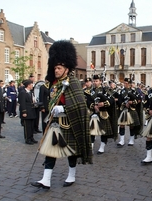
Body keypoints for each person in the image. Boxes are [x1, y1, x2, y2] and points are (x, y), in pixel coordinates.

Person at [31, 40, 92, 190]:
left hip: (69, 122)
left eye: (58, 68)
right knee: (50, 152)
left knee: (71, 151)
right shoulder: (55, 83)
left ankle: (71, 176)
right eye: (55, 68)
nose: (56, 70)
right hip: (55, 123)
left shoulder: (73, 82)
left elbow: (80, 105)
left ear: (66, 68)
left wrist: (63, 109)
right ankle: (46, 180)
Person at [86, 74, 117, 154]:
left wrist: (104, 104)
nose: (95, 82)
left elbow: (111, 100)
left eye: (96, 81)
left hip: (103, 113)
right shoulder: (89, 91)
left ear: (100, 81)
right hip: (93, 113)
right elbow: (87, 101)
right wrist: (93, 106)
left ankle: (102, 147)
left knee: (104, 131)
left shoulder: (105, 90)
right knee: (91, 131)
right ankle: (91, 147)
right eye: (94, 81)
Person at [117, 78, 142, 147]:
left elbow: (139, 99)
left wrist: (132, 102)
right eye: (124, 83)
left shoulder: (134, 91)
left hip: (132, 109)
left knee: (132, 125)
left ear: (130, 84)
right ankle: (121, 141)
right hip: (124, 109)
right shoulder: (121, 91)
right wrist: (124, 104)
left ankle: (131, 140)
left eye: (127, 83)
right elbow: (119, 101)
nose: (125, 84)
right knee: (122, 125)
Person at [18, 80, 38, 144]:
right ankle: (27, 139)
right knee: (27, 126)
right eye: (31, 84)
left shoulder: (31, 92)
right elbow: (22, 103)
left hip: (32, 111)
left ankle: (31, 137)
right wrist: (24, 112)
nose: (32, 86)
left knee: (32, 126)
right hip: (27, 112)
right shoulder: (23, 92)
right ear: (28, 85)